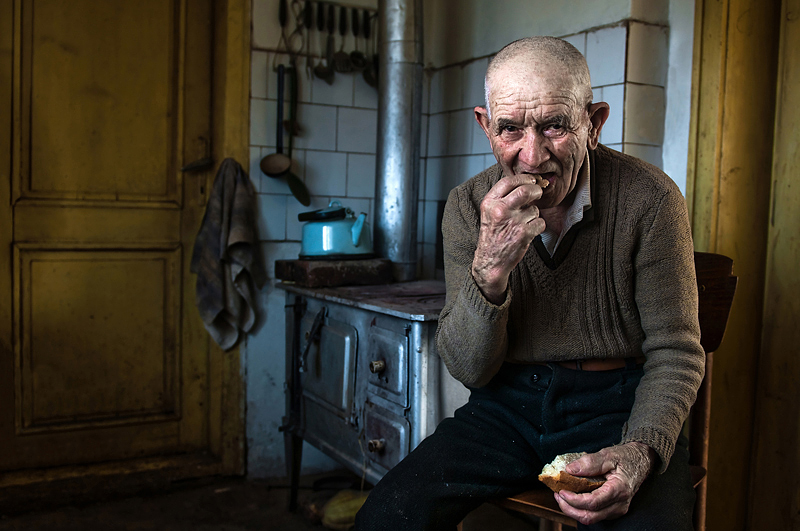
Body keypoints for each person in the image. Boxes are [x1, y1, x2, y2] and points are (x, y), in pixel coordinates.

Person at [355, 36, 703, 530]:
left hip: (619, 407)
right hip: (508, 407)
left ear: (594, 123)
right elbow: (471, 371)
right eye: (510, 129)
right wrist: (490, 270)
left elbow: (677, 352)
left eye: (555, 126)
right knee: (387, 518)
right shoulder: (466, 206)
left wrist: (641, 448)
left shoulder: (651, 199)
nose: (531, 155)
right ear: (485, 125)